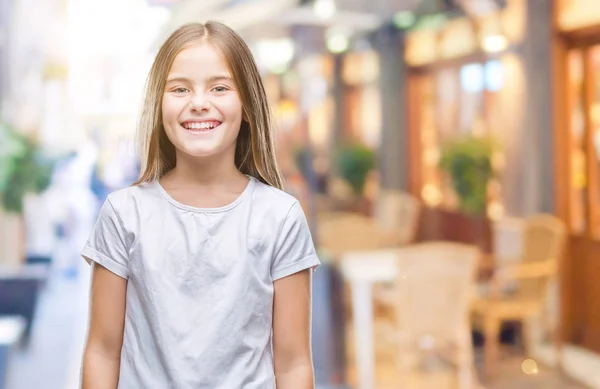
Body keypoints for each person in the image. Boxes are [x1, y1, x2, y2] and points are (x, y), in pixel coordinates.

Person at [80, 21, 320, 389]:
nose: (198, 103)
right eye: (179, 89)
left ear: (247, 103)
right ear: (158, 104)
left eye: (219, 87)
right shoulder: (123, 213)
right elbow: (102, 351)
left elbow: (293, 364)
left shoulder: (280, 217)